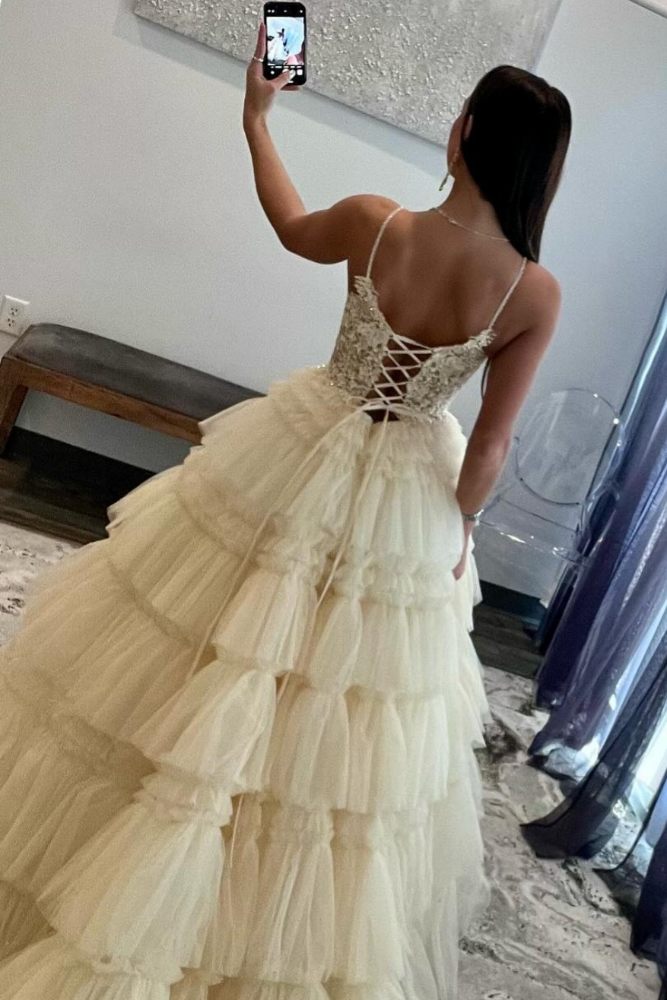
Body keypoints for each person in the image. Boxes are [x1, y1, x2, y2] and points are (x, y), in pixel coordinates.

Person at [0, 20, 570, 1000]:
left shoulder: (377, 222)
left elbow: (290, 223)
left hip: (304, 441)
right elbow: (488, 448)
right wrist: (462, 526)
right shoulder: (532, 291)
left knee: (220, 635)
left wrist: (257, 117)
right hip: (410, 490)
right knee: (343, 704)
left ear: (465, 130)